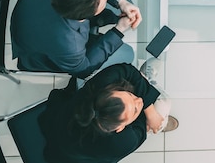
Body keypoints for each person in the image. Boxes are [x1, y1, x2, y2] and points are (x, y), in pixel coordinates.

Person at [11, 0, 141, 78]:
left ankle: (105, 18)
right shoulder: (70, 46)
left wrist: (121, 1)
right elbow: (84, 69)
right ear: (81, 19)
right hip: (31, 42)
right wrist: (119, 30)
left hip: (31, 4)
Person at [40, 63, 177, 163]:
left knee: (151, 107)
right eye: (135, 110)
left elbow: (126, 70)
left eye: (130, 95)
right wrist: (153, 116)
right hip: (68, 156)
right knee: (163, 106)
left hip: (56, 129)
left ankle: (145, 84)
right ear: (120, 128)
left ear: (109, 92)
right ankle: (160, 125)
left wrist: (148, 108)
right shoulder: (122, 141)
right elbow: (142, 129)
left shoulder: (96, 88)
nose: (139, 100)